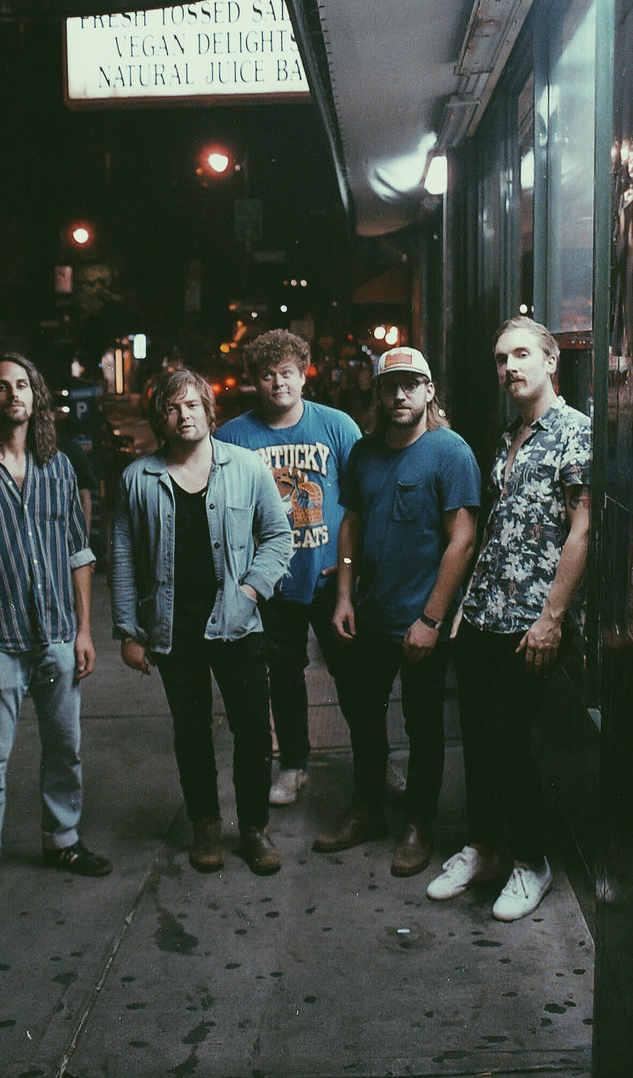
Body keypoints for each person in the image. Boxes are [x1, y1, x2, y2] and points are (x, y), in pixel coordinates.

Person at [0, 351, 111, 919]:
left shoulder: (59, 467)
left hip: (57, 634)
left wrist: (84, 630)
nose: (13, 395)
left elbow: (79, 552)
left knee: (65, 749)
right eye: (1, 387)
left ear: (37, 396)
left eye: (23, 385)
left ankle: (62, 841)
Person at [427, 317, 591, 921]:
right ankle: (483, 847)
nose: (509, 368)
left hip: (532, 619)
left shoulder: (574, 432)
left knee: (506, 736)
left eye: (521, 355)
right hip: (485, 613)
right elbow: (499, 529)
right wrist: (467, 604)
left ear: (551, 361)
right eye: (501, 359)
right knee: (475, 734)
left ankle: (530, 860)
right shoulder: (511, 434)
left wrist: (553, 618)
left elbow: (582, 531)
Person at [110, 368, 293, 875]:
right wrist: (128, 630)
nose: (183, 415)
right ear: (160, 419)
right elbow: (122, 556)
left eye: (192, 404)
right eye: (172, 408)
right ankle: (205, 824)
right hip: (173, 627)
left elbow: (279, 536)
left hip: (238, 624)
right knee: (191, 731)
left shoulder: (246, 467)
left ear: (209, 412)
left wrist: (250, 591)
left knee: (252, 730)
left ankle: (253, 828)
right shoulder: (138, 479)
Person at [315, 345, 481, 878]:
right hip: (370, 614)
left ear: (429, 391)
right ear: (379, 395)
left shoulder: (450, 452)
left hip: (421, 620)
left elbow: (462, 541)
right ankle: (367, 808)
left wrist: (430, 620)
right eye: (390, 387)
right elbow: (351, 525)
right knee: (364, 718)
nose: (400, 395)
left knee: (423, 725)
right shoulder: (364, 453)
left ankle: (418, 823)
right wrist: (344, 594)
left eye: (411, 385)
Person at [216, 329, 362, 805]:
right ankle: (294, 765)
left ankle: (373, 761)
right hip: (270, 583)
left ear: (304, 375)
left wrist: (351, 568)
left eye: (286, 373)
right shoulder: (233, 436)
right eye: (267, 375)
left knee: (354, 676)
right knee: (283, 677)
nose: (278, 383)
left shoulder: (337, 426)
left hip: (330, 578)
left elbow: (362, 502)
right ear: (254, 381)